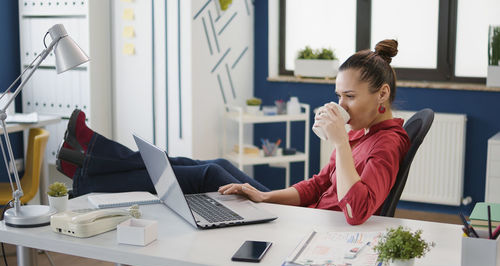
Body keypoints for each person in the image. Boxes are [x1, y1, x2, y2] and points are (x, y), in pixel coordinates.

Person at [57, 39, 410, 225]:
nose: (341, 105)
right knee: (215, 163)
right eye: (338, 96)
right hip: (303, 213)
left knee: (208, 174)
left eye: (349, 97)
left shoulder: (387, 144)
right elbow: (319, 185)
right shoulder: (360, 133)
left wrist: (339, 144)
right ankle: (88, 162)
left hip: (311, 227)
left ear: (382, 95)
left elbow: (355, 212)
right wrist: (264, 196)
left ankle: (89, 161)